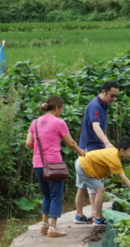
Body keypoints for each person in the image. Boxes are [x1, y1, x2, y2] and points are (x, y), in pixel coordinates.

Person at [25, 96, 86, 237]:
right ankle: (53, 228)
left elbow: (29, 143)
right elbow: (70, 143)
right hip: (53, 164)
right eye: (61, 109)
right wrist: (81, 151)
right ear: (57, 108)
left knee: (46, 194)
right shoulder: (59, 122)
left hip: (38, 164)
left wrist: (40, 152)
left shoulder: (34, 123)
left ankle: (44, 224)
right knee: (56, 196)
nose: (61, 111)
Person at [74, 136, 130, 226]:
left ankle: (79, 216)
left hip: (81, 161)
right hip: (85, 166)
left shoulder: (113, 151)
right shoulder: (116, 160)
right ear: (122, 150)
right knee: (100, 190)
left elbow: (103, 159)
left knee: (81, 189)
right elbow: (124, 179)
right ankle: (98, 218)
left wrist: (109, 173)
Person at [78, 80, 119, 222]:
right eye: (111, 96)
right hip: (90, 147)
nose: (113, 99)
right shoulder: (95, 106)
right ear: (103, 92)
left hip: (98, 146)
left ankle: (91, 213)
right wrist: (107, 143)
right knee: (95, 184)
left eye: (115, 96)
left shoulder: (104, 105)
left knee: (91, 184)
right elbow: (95, 126)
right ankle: (95, 214)